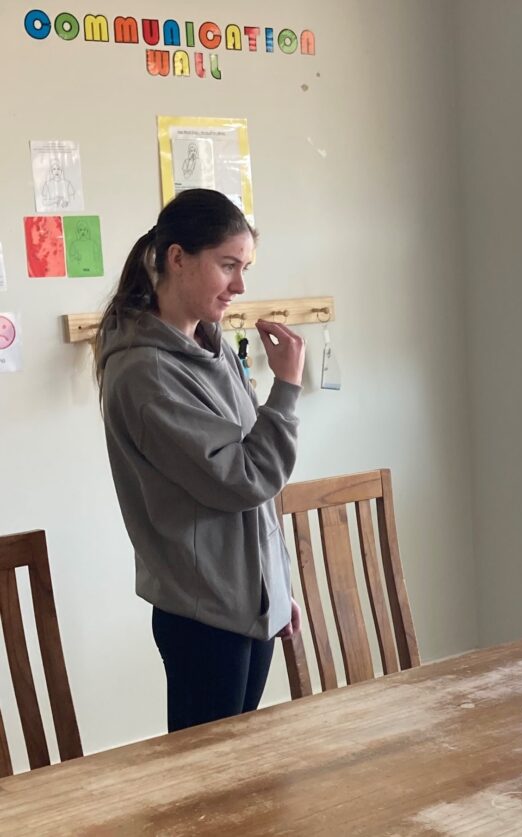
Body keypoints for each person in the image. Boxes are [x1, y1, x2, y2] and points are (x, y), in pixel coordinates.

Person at [95, 188, 306, 732]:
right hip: (204, 615)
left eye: (245, 267)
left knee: (236, 785)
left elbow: (252, 479)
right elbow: (244, 479)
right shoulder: (146, 374)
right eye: (228, 265)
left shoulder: (210, 348)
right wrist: (285, 388)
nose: (240, 285)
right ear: (178, 258)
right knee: (205, 802)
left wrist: (274, 589)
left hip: (243, 605)